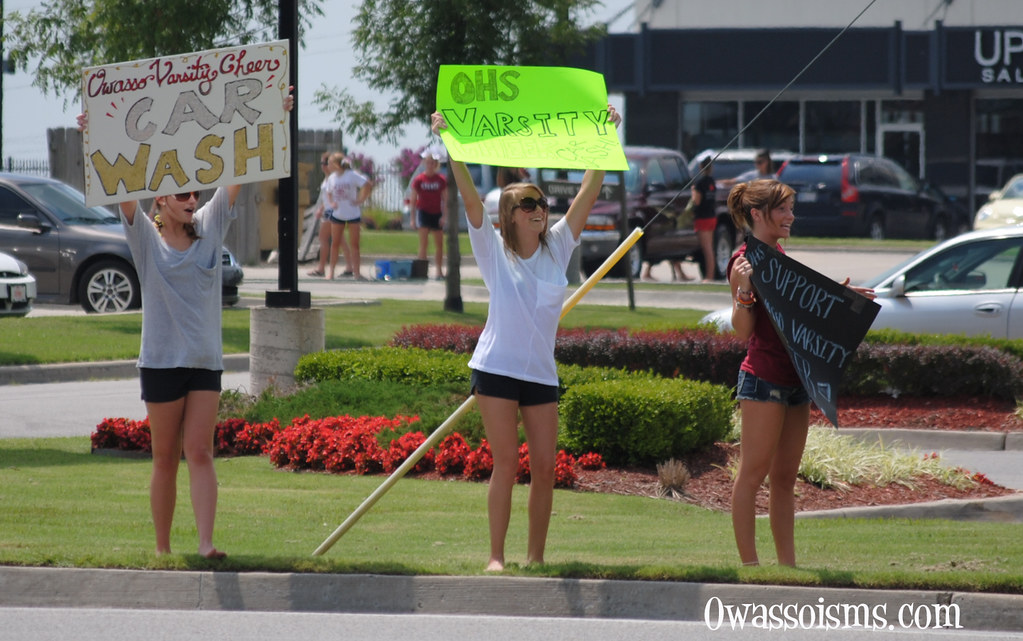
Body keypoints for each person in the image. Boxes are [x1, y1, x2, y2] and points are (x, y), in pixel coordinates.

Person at [76, 90, 294, 559]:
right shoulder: (145, 239)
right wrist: (95, 136)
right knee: (163, 459)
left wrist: (274, 113)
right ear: (162, 200)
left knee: (199, 452)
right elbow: (122, 186)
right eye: (183, 193)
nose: (192, 199)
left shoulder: (212, 225)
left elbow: (240, 172)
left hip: (203, 362)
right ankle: (161, 550)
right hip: (159, 362)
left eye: (195, 192)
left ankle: (206, 544)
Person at [432, 104, 622, 572]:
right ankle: (496, 557)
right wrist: (452, 143)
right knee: (505, 465)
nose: (541, 210)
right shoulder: (494, 251)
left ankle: (535, 557)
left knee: (544, 469)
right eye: (530, 205)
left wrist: (604, 136)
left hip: (540, 374)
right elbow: (470, 197)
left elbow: (586, 194)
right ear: (512, 216)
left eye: (542, 204)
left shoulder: (558, 246)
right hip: (496, 368)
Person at [726, 178, 873, 567]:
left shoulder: (779, 255)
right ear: (758, 214)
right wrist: (742, 291)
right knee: (753, 473)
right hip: (763, 379)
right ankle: (750, 567)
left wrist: (841, 297)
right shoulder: (744, 261)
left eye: (791, 208)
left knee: (786, 478)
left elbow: (799, 311)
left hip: (797, 381)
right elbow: (743, 330)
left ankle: (788, 569)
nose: (792, 216)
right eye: (783, 209)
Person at [324, 153, 373, 280]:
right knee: (335, 244)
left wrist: (360, 200)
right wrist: (332, 202)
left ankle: (356, 273)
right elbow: (329, 192)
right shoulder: (332, 178)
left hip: (352, 214)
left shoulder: (351, 175)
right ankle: (331, 272)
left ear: (336, 164)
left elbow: (367, 184)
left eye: (329, 163)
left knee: (354, 244)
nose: (327, 165)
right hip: (338, 214)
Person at [307, 151, 350, 277]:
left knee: (323, 238)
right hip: (329, 210)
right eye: (322, 163)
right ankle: (349, 267)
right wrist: (321, 208)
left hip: (333, 212)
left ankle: (321, 268)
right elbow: (326, 198)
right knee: (340, 240)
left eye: (326, 163)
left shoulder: (335, 178)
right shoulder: (328, 179)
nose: (323, 165)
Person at [409, 152, 448, 279]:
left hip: (436, 213)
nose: (430, 165)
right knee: (423, 243)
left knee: (439, 244)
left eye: (432, 163)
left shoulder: (440, 180)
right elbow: (413, 200)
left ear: (435, 165)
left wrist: (444, 216)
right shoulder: (419, 180)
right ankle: (422, 272)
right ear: (425, 164)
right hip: (423, 213)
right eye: (428, 163)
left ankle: (439, 271)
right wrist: (412, 219)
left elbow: (446, 199)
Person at [692, 156, 718, 281]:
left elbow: (696, 201)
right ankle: (710, 274)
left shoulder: (700, 183)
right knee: (710, 247)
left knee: (706, 248)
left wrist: (693, 191)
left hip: (702, 218)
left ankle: (709, 276)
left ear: (701, 167)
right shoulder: (712, 181)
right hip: (712, 216)